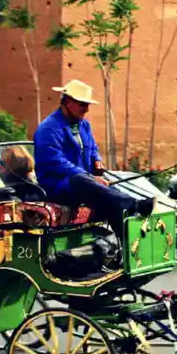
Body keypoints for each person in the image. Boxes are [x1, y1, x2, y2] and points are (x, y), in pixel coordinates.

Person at [33, 80, 156, 239]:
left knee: (110, 199)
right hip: (57, 186)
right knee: (80, 180)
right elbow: (55, 162)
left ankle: (127, 246)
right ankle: (134, 205)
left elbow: (92, 148)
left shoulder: (84, 125)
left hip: (84, 183)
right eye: (82, 104)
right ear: (67, 102)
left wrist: (97, 161)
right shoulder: (48, 128)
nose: (87, 109)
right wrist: (90, 177)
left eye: (87, 104)